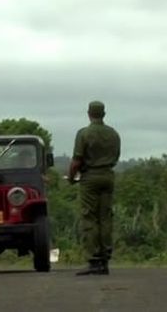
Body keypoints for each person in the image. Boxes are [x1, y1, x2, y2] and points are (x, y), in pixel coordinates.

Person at [68, 100, 121, 275]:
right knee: (105, 217)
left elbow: (77, 160)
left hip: (90, 177)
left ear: (89, 114)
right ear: (104, 114)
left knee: (89, 217)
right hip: (108, 176)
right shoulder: (113, 134)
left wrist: (71, 177)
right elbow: (116, 156)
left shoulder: (84, 133)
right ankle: (105, 258)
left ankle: (94, 259)